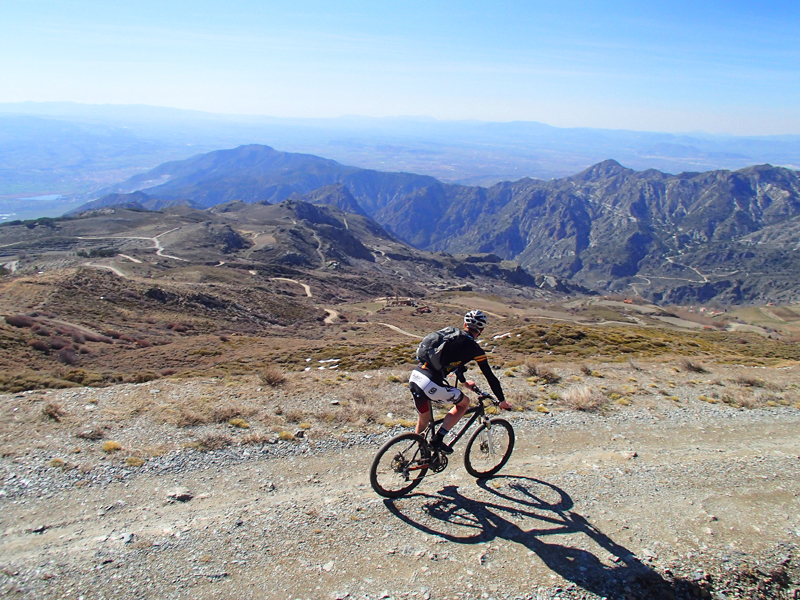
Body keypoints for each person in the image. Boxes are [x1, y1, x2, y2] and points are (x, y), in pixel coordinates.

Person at [409, 309, 512, 454]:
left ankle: (416, 454)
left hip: (415, 377)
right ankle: (438, 439)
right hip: (430, 383)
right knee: (464, 403)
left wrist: (463, 381)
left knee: (424, 420)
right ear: (481, 330)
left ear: (465, 324)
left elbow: (452, 363)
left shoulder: (450, 335)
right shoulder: (475, 350)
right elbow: (490, 376)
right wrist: (502, 400)